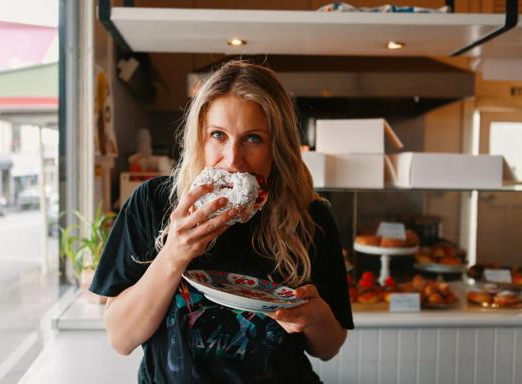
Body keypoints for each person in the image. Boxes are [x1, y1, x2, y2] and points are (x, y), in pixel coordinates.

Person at [90, 60, 354, 383]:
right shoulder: (153, 204)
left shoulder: (310, 217)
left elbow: (329, 346)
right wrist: (174, 253)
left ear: (278, 146)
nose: (233, 159)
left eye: (253, 138)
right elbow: (120, 338)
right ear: (200, 138)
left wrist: (314, 317)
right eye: (219, 135)